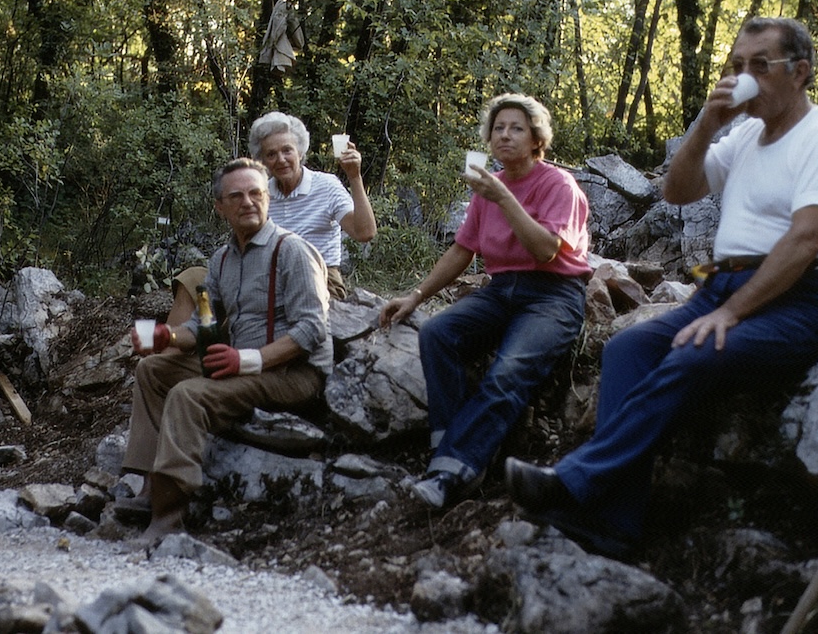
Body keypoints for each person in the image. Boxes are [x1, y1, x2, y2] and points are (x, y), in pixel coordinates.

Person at [505, 17, 818, 559]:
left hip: (807, 297)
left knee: (698, 348)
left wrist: (731, 314)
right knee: (628, 347)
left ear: (800, 73)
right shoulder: (744, 135)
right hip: (724, 287)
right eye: (738, 66)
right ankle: (616, 524)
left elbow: (806, 239)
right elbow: (676, 191)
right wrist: (706, 122)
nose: (745, 77)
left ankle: (573, 482)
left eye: (760, 66)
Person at [379, 93, 591, 509]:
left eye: (517, 128)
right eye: (499, 128)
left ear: (536, 139)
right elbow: (462, 250)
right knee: (438, 332)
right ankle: (449, 446)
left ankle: (452, 474)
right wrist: (417, 294)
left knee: (507, 371)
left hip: (553, 295)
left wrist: (503, 198)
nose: (505, 135)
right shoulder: (488, 188)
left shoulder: (557, 184)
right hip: (502, 290)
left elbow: (545, 250)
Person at [122, 158, 333, 544]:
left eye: (256, 193)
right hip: (245, 368)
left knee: (189, 394)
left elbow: (312, 329)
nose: (248, 202)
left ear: (268, 198)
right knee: (152, 370)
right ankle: (150, 487)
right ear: (220, 206)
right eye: (236, 196)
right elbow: (205, 325)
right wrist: (166, 337)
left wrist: (245, 360)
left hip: (294, 375)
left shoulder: (293, 252)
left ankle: (169, 515)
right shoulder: (221, 260)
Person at [163, 111, 376, 325]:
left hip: (317, 280)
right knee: (193, 279)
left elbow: (364, 233)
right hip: (263, 275)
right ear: (261, 161)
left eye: (287, 151)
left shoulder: (326, 186)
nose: (281, 159)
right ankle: (169, 346)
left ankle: (224, 337)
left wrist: (354, 176)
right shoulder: (257, 193)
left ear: (300, 152)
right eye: (271, 154)